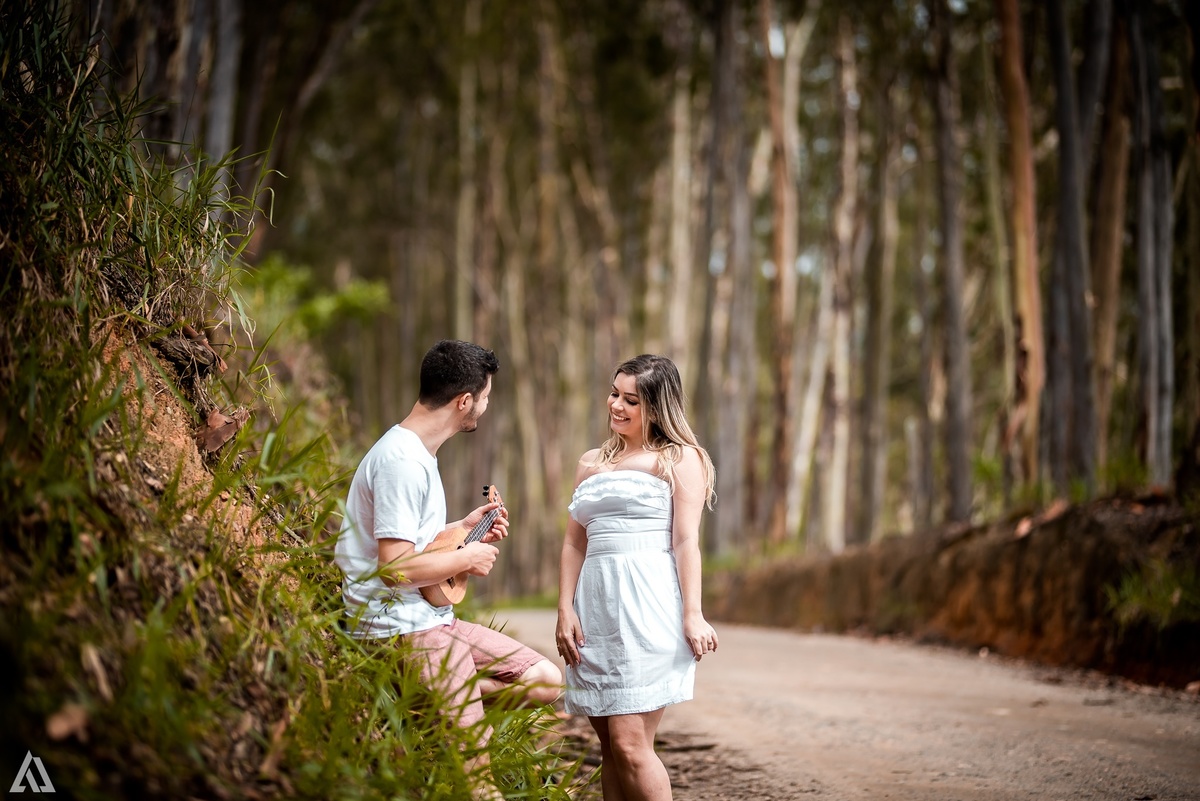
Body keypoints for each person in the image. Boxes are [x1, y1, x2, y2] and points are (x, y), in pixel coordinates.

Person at [335, 340, 561, 793]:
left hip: (433, 619)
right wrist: (467, 558)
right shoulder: (401, 462)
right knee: (479, 778)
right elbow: (394, 570)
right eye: (486, 397)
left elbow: (415, 544)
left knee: (545, 682)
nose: (487, 405)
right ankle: (455, 724)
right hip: (399, 629)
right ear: (464, 402)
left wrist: (463, 528)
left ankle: (436, 712)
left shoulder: (419, 455)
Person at [555, 354, 718, 801]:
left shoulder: (680, 459)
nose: (616, 406)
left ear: (658, 407)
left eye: (631, 400)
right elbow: (574, 543)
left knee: (631, 744)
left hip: (648, 607)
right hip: (595, 611)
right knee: (609, 746)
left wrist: (693, 614)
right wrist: (565, 608)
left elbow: (686, 542)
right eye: (614, 394)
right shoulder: (590, 462)